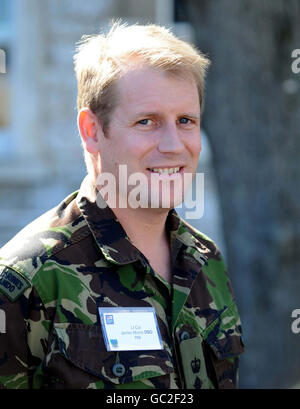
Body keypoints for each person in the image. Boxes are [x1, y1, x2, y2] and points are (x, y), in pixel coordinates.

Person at [0, 22, 244, 389]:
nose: (174, 145)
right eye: (147, 122)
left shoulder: (205, 260)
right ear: (92, 131)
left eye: (186, 121)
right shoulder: (29, 278)